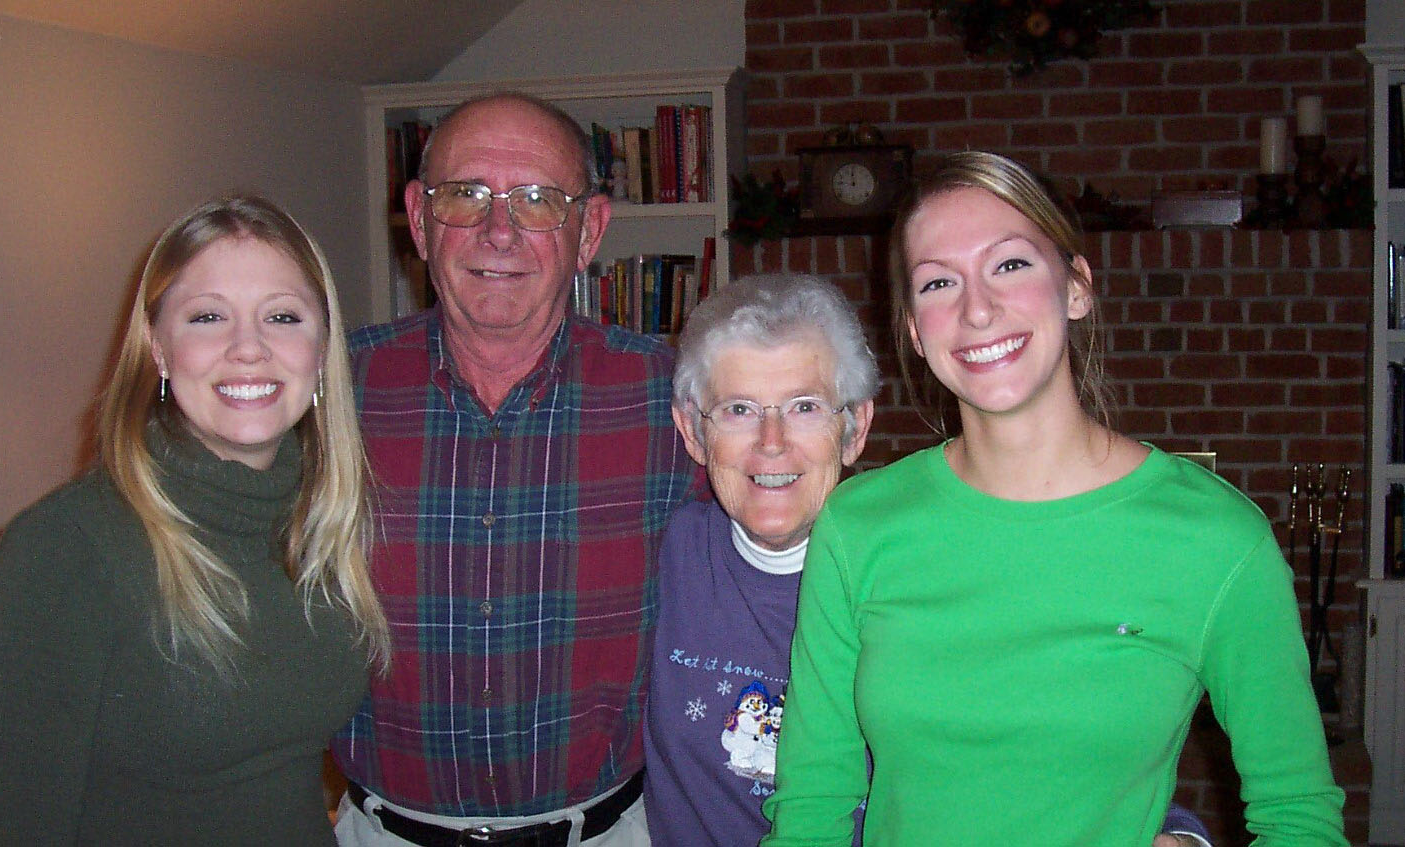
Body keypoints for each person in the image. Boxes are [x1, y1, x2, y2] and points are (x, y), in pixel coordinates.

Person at [762, 152, 1349, 846]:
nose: (977, 309)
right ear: (916, 333)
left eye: (1011, 265)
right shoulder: (858, 526)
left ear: (1076, 287)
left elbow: (1299, 817)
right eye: (939, 282)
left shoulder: (1218, 539)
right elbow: (813, 805)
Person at [645, 273, 1213, 847]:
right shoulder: (662, 561)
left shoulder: (939, 567)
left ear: (855, 428)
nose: (772, 442)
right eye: (739, 409)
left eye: (805, 407)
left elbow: (1074, 744)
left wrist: (1177, 833)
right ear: (693, 431)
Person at [332, 92, 700, 847]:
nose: (498, 230)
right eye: (465, 195)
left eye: (537, 201)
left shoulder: (677, 403)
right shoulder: (332, 393)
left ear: (589, 230)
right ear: (419, 218)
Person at [0, 195, 390, 845]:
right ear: (157, 349)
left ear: (321, 350)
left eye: (282, 316)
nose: (249, 349)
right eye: (208, 317)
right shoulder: (67, 546)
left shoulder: (319, 524)